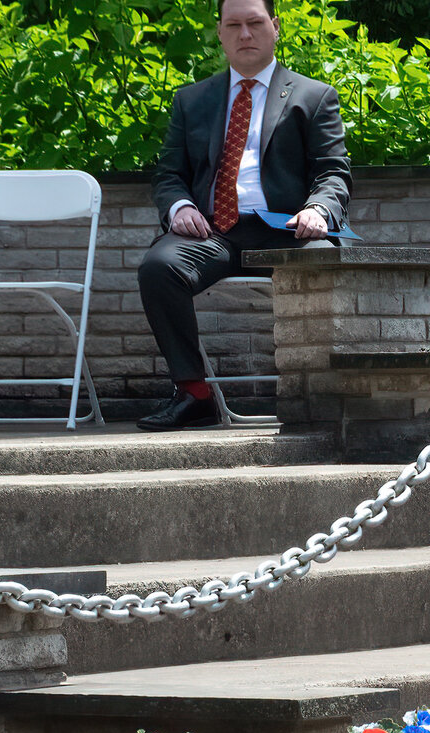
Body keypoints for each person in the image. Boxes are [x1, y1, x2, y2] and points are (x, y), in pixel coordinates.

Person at [136, 0, 352, 431]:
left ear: (275, 27)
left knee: (325, 260)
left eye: (255, 23)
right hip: (212, 234)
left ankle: (325, 398)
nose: (245, 34)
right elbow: (169, 175)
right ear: (220, 33)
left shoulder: (314, 96)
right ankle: (195, 395)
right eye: (234, 25)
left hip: (287, 232)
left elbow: (333, 174)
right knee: (158, 267)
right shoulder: (191, 100)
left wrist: (318, 209)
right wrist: (179, 207)